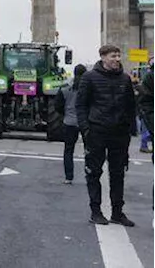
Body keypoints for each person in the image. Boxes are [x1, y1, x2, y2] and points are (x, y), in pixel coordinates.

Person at [76, 45, 137, 226]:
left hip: (119, 133)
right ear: (103, 57)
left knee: (118, 173)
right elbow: (81, 106)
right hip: (97, 131)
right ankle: (96, 211)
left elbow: (130, 106)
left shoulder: (125, 79)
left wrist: (130, 130)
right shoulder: (89, 78)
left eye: (118, 56)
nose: (117, 59)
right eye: (113, 56)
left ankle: (117, 212)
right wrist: (85, 129)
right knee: (94, 172)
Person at [56, 63, 88, 184]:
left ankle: (68, 177)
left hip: (69, 122)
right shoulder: (88, 88)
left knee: (68, 150)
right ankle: (89, 173)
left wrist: (66, 113)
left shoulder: (65, 88)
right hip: (85, 122)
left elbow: (58, 106)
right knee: (89, 150)